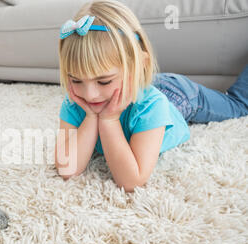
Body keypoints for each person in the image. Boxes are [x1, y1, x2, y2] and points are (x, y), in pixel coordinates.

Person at [54, 0, 248, 192]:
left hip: (178, 96)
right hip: (141, 82)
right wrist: (90, 117)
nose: (90, 95)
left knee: (237, 106)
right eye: (77, 80)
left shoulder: (152, 105)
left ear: (141, 65)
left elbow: (131, 181)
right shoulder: (75, 101)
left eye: (104, 81)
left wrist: (109, 120)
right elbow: (67, 168)